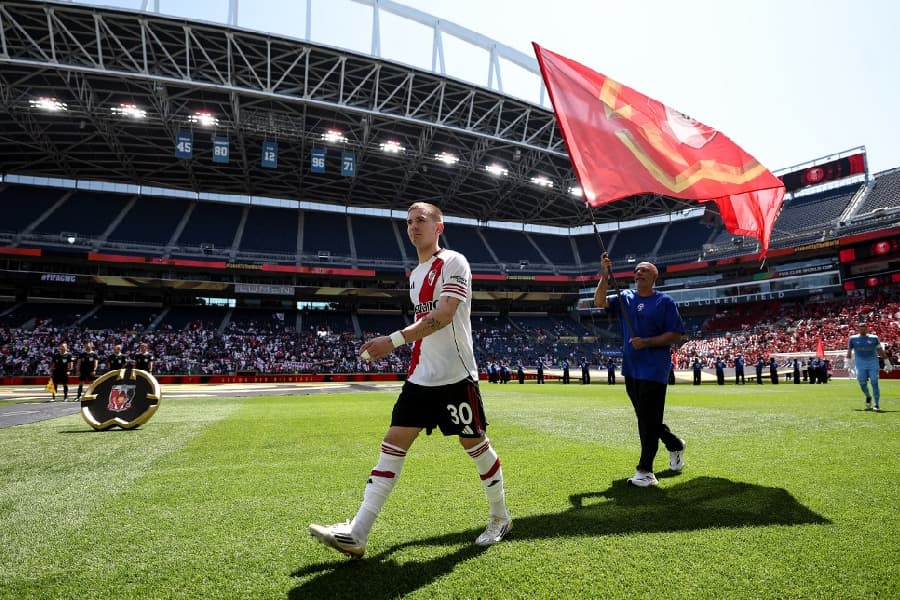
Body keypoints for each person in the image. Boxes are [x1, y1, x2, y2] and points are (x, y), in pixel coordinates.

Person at [308, 202, 511, 559]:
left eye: (421, 220)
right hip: (421, 377)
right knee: (393, 443)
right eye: (409, 222)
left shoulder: (454, 262)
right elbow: (426, 324)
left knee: (475, 445)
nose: (413, 227)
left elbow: (444, 315)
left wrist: (393, 341)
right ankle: (357, 533)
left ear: (438, 227)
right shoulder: (415, 275)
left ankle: (500, 517)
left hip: (455, 376)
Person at [594, 253, 686, 488]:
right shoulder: (625, 297)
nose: (639, 272)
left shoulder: (664, 301)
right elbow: (599, 301)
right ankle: (674, 444)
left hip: (654, 369)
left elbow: (676, 334)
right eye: (636, 270)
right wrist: (605, 275)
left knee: (647, 420)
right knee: (646, 419)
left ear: (654, 276)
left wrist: (647, 342)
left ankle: (646, 471)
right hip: (631, 368)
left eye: (644, 270)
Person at [847, 318, 893, 411]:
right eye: (861, 328)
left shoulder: (874, 338)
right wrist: (849, 365)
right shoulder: (853, 339)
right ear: (858, 329)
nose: (863, 329)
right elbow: (849, 352)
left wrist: (887, 362)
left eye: (864, 328)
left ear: (867, 328)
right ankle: (868, 396)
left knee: (874, 382)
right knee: (862, 383)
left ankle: (876, 404)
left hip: (873, 363)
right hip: (860, 364)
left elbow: (880, 351)